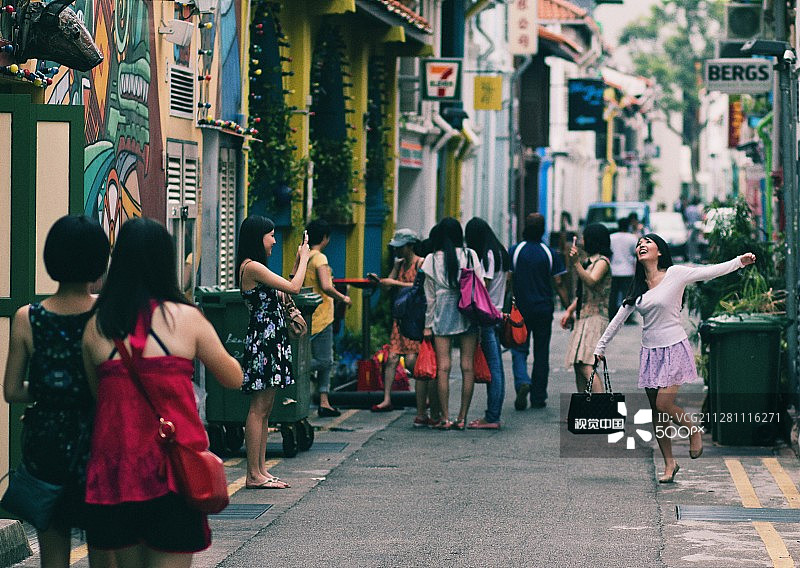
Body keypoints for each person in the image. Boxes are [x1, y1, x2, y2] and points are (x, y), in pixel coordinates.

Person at [81, 217, 243, 567]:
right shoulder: (187, 318)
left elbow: (98, 397)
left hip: (115, 475)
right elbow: (234, 377)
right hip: (173, 470)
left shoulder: (96, 326)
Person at [593, 233, 755, 483]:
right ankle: (669, 463)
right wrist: (600, 347)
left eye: (647, 242)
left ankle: (693, 430)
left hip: (674, 348)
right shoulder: (638, 286)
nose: (641, 245)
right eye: (639, 244)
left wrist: (738, 262)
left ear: (660, 251)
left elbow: (707, 272)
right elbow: (618, 319)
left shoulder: (675, 274)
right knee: (657, 412)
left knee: (663, 404)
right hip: (650, 353)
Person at [3, 216, 114, 568]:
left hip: (46, 445)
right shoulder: (108, 313)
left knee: (53, 557)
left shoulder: (28, 317)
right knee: (104, 551)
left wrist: (49, 394)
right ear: (99, 261)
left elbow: (11, 390)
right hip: (99, 443)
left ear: (51, 258)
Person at [237, 216, 311, 489]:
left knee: (265, 409)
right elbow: (294, 288)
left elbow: (285, 289)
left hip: (270, 340)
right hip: (264, 342)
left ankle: (261, 470)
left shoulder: (258, 268)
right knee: (258, 409)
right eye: (271, 235)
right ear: (258, 238)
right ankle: (253, 474)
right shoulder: (252, 267)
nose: (274, 241)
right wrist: (306, 258)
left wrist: (297, 261)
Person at [422, 217, 483, 430]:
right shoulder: (470, 255)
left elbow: (429, 298)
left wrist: (427, 325)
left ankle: (445, 418)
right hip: (467, 311)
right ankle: (462, 418)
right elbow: (480, 285)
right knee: (467, 366)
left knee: (443, 367)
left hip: (442, 312)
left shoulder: (431, 259)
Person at [509, 213, 569, 410]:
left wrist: (504, 307)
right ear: (543, 230)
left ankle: (522, 381)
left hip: (520, 311)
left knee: (519, 348)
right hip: (543, 309)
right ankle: (538, 397)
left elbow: (508, 280)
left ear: (525, 227)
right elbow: (559, 283)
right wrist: (568, 307)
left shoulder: (515, 251)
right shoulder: (549, 253)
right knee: (541, 353)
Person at [369, 228, 424, 416]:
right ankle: (386, 399)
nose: (398, 250)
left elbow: (419, 287)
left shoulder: (420, 263)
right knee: (391, 358)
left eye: (401, 247)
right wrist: (386, 278)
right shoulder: (399, 264)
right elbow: (387, 288)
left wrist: (394, 284)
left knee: (411, 361)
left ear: (410, 246)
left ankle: (424, 395)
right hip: (400, 318)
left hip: (413, 320)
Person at [464, 217, 509, 429]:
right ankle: (492, 415)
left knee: (494, 368)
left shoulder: (488, 255)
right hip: (498, 314)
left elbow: (484, 287)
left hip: (487, 317)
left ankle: (492, 417)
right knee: (496, 366)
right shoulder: (500, 251)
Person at [303, 219, 351, 417]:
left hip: (308, 314)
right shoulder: (320, 258)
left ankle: (324, 402)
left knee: (324, 360)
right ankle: (294, 370)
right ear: (324, 238)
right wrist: (343, 298)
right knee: (324, 361)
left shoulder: (304, 257)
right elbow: (326, 286)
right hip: (322, 316)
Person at [561, 224, 612, 393]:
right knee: (579, 364)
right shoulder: (589, 261)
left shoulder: (602, 262)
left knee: (586, 365)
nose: (581, 240)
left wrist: (576, 264)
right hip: (583, 317)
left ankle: (600, 404)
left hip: (596, 318)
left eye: (584, 237)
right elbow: (583, 293)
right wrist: (570, 310)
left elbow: (591, 281)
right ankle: (585, 405)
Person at [609, 217, 638, 320]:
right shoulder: (632, 238)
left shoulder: (611, 237)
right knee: (627, 296)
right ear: (628, 226)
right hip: (627, 270)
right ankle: (627, 317)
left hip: (613, 270)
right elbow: (635, 253)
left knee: (613, 295)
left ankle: (612, 314)